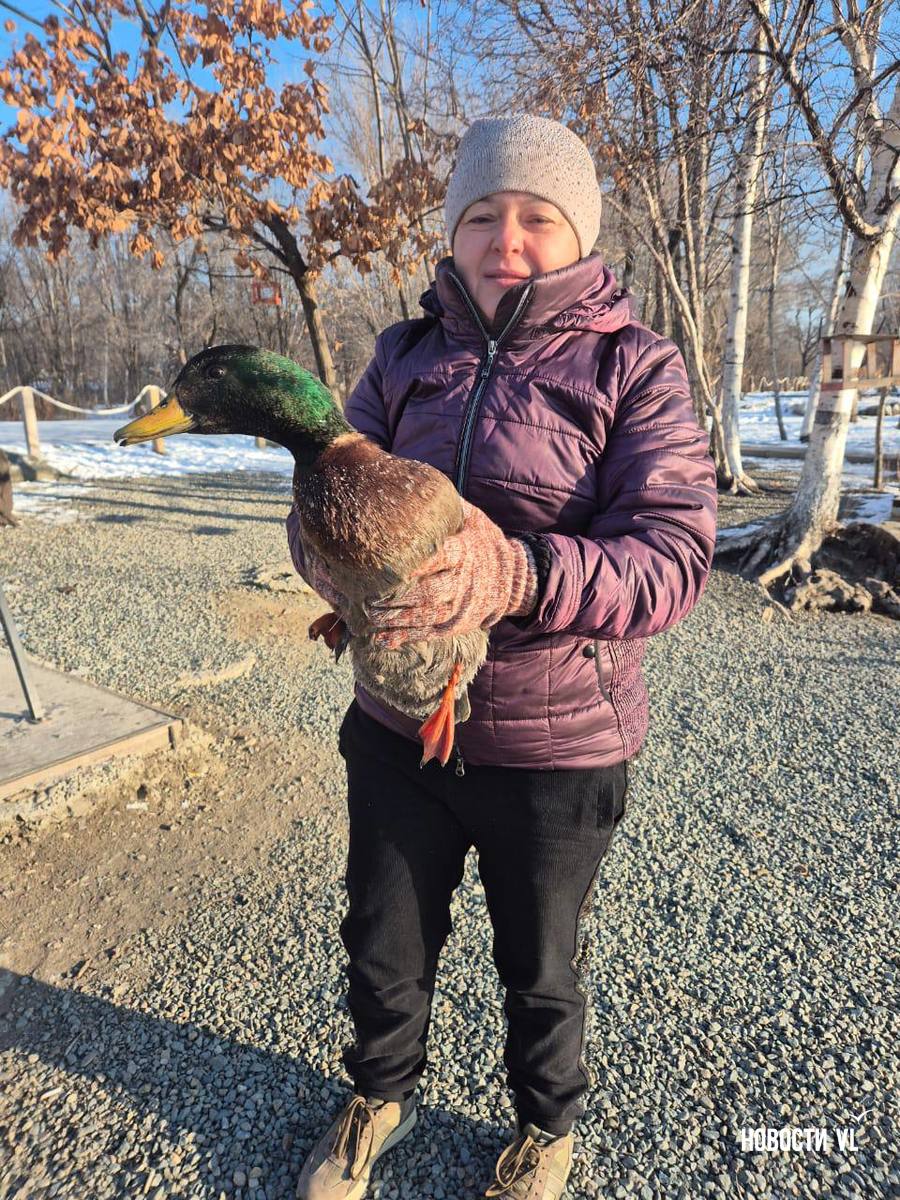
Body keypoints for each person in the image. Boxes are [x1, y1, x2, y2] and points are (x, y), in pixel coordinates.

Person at [287, 113, 717, 1200]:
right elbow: (319, 495)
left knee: (541, 963)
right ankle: (380, 1096)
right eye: (482, 214)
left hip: (555, 744)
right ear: (453, 231)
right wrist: (333, 569)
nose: (506, 240)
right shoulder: (403, 357)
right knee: (381, 938)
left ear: (581, 235)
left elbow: (672, 559)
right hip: (397, 725)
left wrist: (517, 575)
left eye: (536, 217)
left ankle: (543, 1129)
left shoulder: (635, 368)